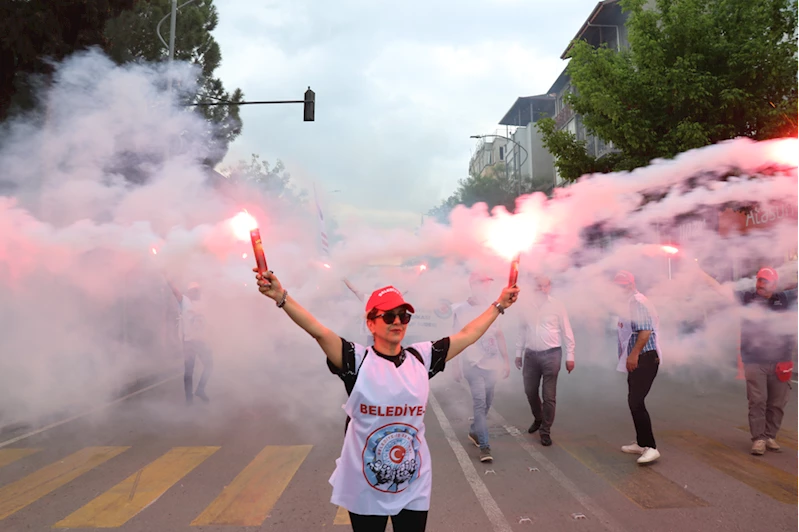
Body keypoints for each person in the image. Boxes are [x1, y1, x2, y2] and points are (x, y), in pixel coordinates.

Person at [254, 268, 519, 532]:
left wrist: (499, 305)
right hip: (365, 483)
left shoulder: (421, 357)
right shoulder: (356, 360)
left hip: (412, 481)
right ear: (370, 323)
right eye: (389, 316)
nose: (398, 322)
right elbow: (319, 332)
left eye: (403, 316)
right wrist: (282, 297)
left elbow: (468, 334)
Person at [698, 266, 794, 455]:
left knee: (777, 403)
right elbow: (720, 290)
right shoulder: (747, 298)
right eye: (759, 280)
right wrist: (699, 272)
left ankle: (770, 436)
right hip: (754, 360)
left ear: (774, 285)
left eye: (765, 282)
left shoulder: (783, 299)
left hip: (781, 362)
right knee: (757, 400)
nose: (761, 284)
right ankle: (758, 439)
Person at [450, 272, 510, 463]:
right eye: (482, 283)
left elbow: (499, 334)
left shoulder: (494, 307)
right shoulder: (460, 310)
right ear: (473, 285)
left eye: (487, 284)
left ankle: (476, 431)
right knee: (480, 402)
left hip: (491, 364)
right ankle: (485, 446)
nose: (485, 287)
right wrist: (455, 365)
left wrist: (506, 360)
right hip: (472, 364)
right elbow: (456, 339)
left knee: (488, 401)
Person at [514, 274, 576, 447]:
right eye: (538, 286)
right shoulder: (526, 306)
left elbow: (567, 331)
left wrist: (570, 356)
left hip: (552, 354)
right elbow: (522, 330)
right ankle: (538, 418)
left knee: (549, 396)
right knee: (529, 391)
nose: (541, 289)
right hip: (531, 355)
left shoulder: (557, 305)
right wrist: (518, 353)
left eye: (545, 286)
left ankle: (545, 430)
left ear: (549, 287)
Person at [613, 271, 661, 464]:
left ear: (631, 285)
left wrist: (633, 355)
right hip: (639, 357)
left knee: (636, 401)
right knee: (634, 400)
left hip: (645, 358)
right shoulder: (629, 303)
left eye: (623, 285)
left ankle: (651, 447)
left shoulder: (637, 303)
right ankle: (641, 443)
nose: (620, 289)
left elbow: (646, 331)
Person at [167, 280, 213, 405]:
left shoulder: (202, 304)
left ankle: (200, 389)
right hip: (189, 342)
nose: (198, 293)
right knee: (189, 372)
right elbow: (175, 291)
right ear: (190, 292)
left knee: (209, 365)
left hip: (200, 341)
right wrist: (168, 278)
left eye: (198, 290)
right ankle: (189, 400)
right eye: (195, 290)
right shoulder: (184, 301)